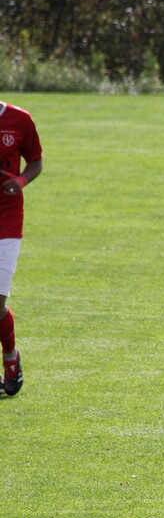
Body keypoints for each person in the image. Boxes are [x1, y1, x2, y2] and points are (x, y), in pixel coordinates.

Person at [0, 99, 43, 396]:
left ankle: (11, 357)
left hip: (7, 222)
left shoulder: (20, 120)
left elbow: (36, 162)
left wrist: (21, 179)